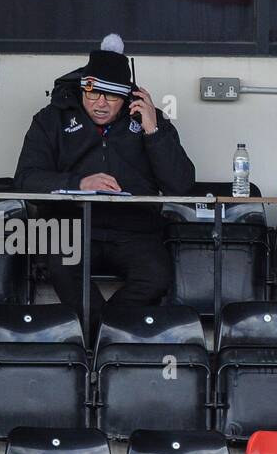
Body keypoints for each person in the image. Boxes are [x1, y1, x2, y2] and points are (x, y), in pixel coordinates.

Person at [14, 33, 195, 326]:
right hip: (72, 228)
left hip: (134, 230)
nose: (100, 103)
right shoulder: (51, 119)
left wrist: (153, 133)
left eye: (110, 95)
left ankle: (101, 332)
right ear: (81, 88)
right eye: (92, 94)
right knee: (61, 266)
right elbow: (25, 179)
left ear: (127, 97)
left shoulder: (150, 120)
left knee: (156, 275)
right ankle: (108, 339)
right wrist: (79, 184)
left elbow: (182, 186)